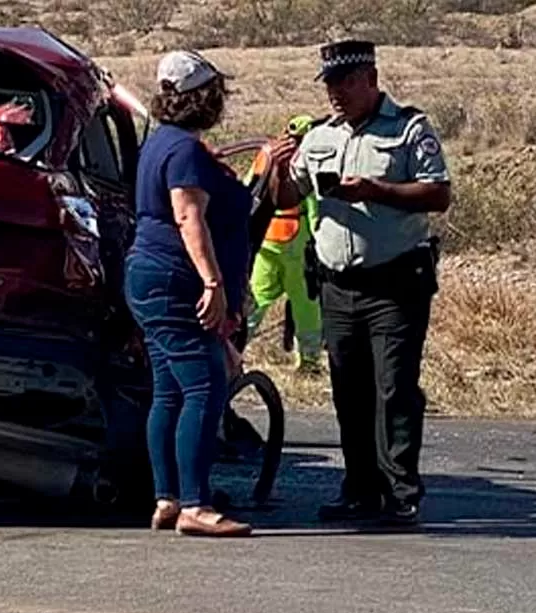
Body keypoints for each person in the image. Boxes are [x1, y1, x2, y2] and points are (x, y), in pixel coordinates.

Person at [266, 40, 452, 524]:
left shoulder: (409, 127)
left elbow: (438, 193)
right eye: (329, 84)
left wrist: (377, 191)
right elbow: (288, 194)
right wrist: (279, 166)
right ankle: (359, 487)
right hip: (337, 285)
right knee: (349, 388)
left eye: (344, 83)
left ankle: (400, 492)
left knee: (394, 389)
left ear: (369, 78)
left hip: (395, 283)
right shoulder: (320, 136)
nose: (335, 94)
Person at [123, 49, 252, 537]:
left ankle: (168, 496)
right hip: (174, 277)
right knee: (204, 385)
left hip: (147, 275)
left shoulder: (162, 144)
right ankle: (197, 503)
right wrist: (214, 283)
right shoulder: (185, 152)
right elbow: (188, 216)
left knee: (169, 390)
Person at [243, 114, 324, 373]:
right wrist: (320, 241)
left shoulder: (265, 155)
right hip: (296, 242)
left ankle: (235, 348)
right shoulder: (308, 158)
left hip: (265, 240)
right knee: (306, 306)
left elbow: (247, 190)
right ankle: (309, 362)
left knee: (255, 300)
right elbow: (313, 205)